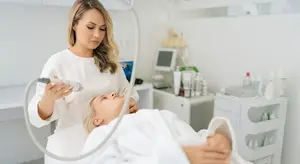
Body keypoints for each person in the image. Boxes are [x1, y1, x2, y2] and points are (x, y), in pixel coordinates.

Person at [28, 0, 139, 155]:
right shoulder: (59, 62)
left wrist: (131, 102)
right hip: (72, 144)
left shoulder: (109, 63)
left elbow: (128, 93)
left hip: (109, 141)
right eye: (90, 27)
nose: (97, 35)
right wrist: (48, 99)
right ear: (74, 24)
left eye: (102, 29)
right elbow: (36, 118)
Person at [81, 92, 235, 164]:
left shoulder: (159, 115)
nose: (113, 93)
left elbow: (195, 138)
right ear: (97, 120)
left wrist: (219, 137)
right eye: (104, 98)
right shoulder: (102, 135)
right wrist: (179, 157)